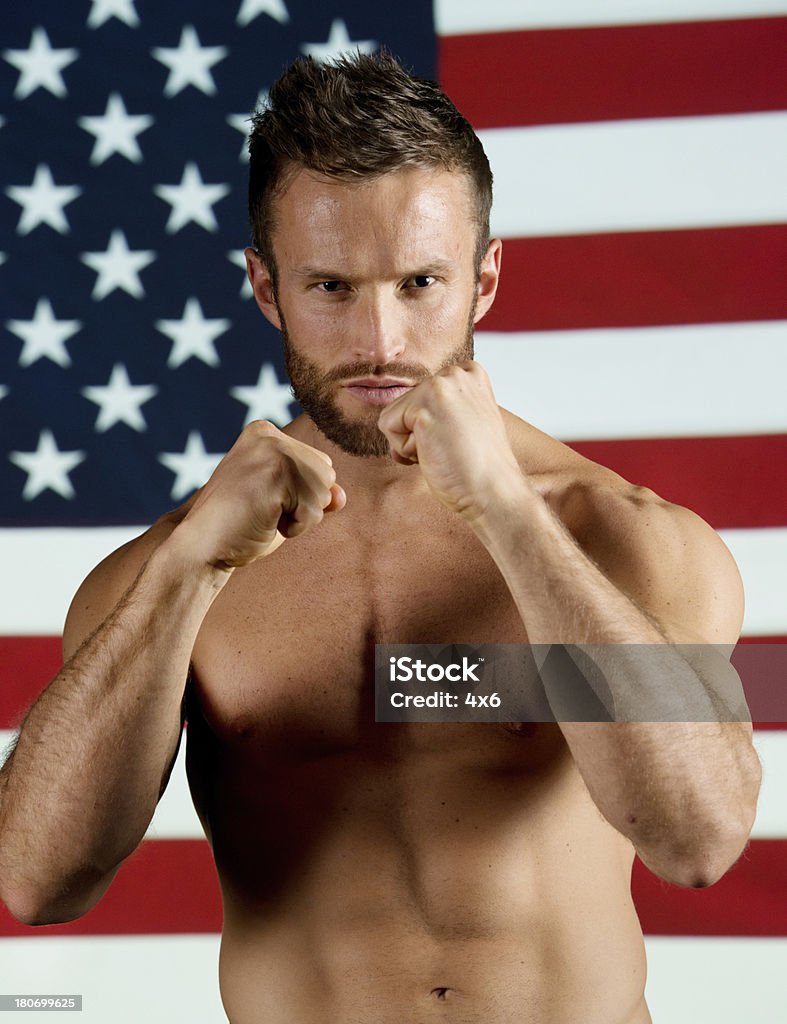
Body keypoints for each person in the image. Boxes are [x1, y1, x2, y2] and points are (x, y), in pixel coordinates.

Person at [0, 51, 761, 1024]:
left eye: (418, 281)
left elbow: (698, 838)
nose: (380, 340)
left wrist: (507, 515)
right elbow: (37, 883)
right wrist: (189, 572)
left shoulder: (622, 539)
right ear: (266, 288)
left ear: (484, 279)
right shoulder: (175, 569)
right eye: (330, 287)